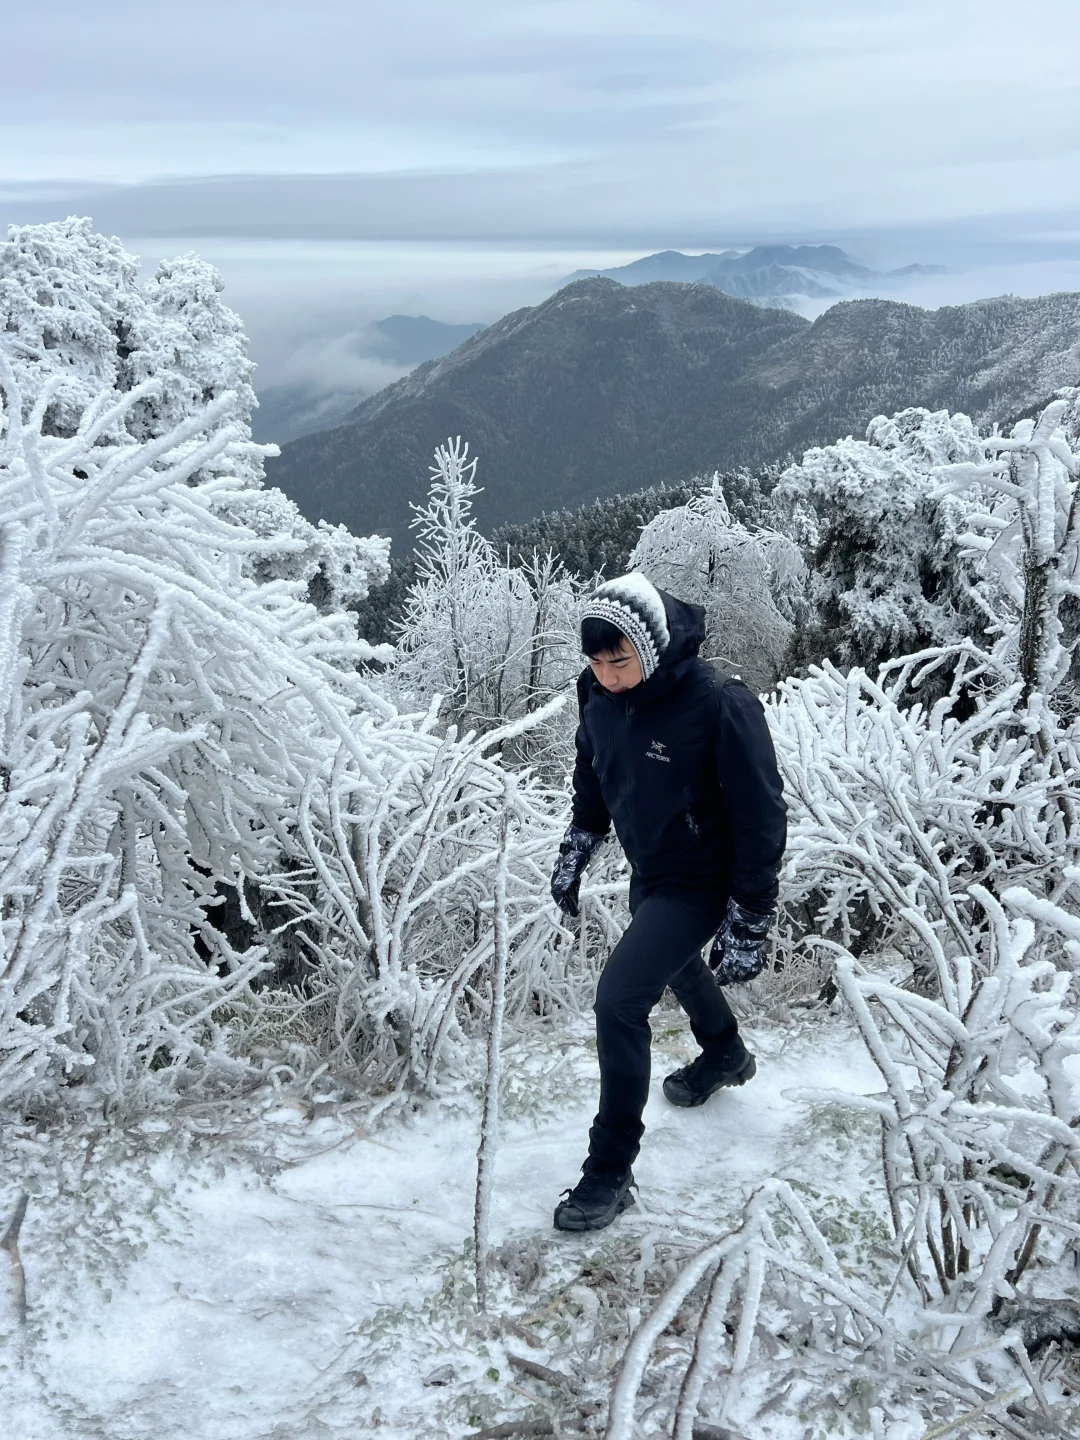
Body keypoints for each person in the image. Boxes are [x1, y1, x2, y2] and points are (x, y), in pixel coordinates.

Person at [549, 572, 787, 1232]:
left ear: (650, 648)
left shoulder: (717, 703)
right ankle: (725, 1053)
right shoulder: (594, 693)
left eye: (618, 660)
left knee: (619, 1001)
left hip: (704, 879)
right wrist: (579, 840)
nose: (607, 674)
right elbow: (592, 770)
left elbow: (762, 812)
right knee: (675, 963)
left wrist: (751, 911)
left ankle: (609, 1170)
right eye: (595, 661)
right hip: (652, 866)